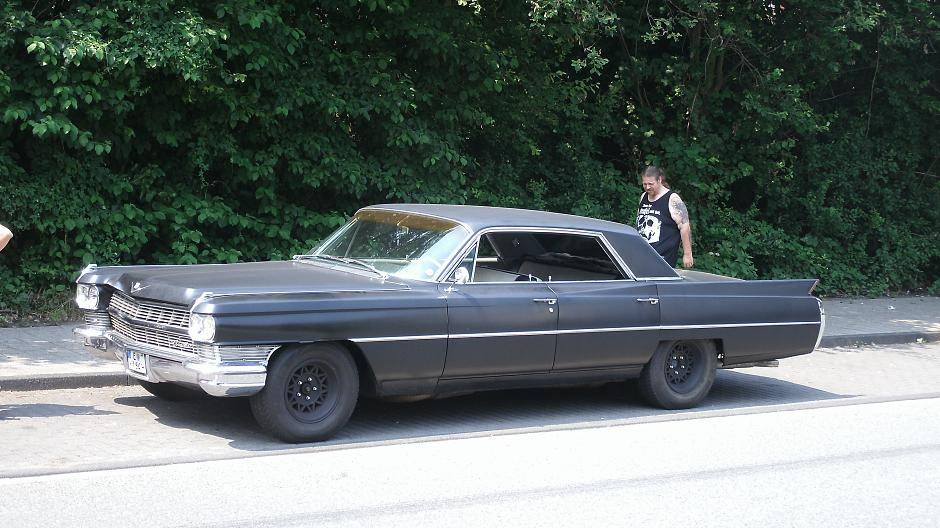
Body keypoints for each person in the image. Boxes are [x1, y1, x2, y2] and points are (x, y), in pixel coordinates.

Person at [635, 165, 694, 268]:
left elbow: (685, 226)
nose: (647, 187)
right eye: (645, 184)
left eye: (651, 184)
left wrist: (687, 254)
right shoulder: (643, 196)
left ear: (659, 180)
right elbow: (639, 221)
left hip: (662, 259)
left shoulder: (672, 199)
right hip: (642, 255)